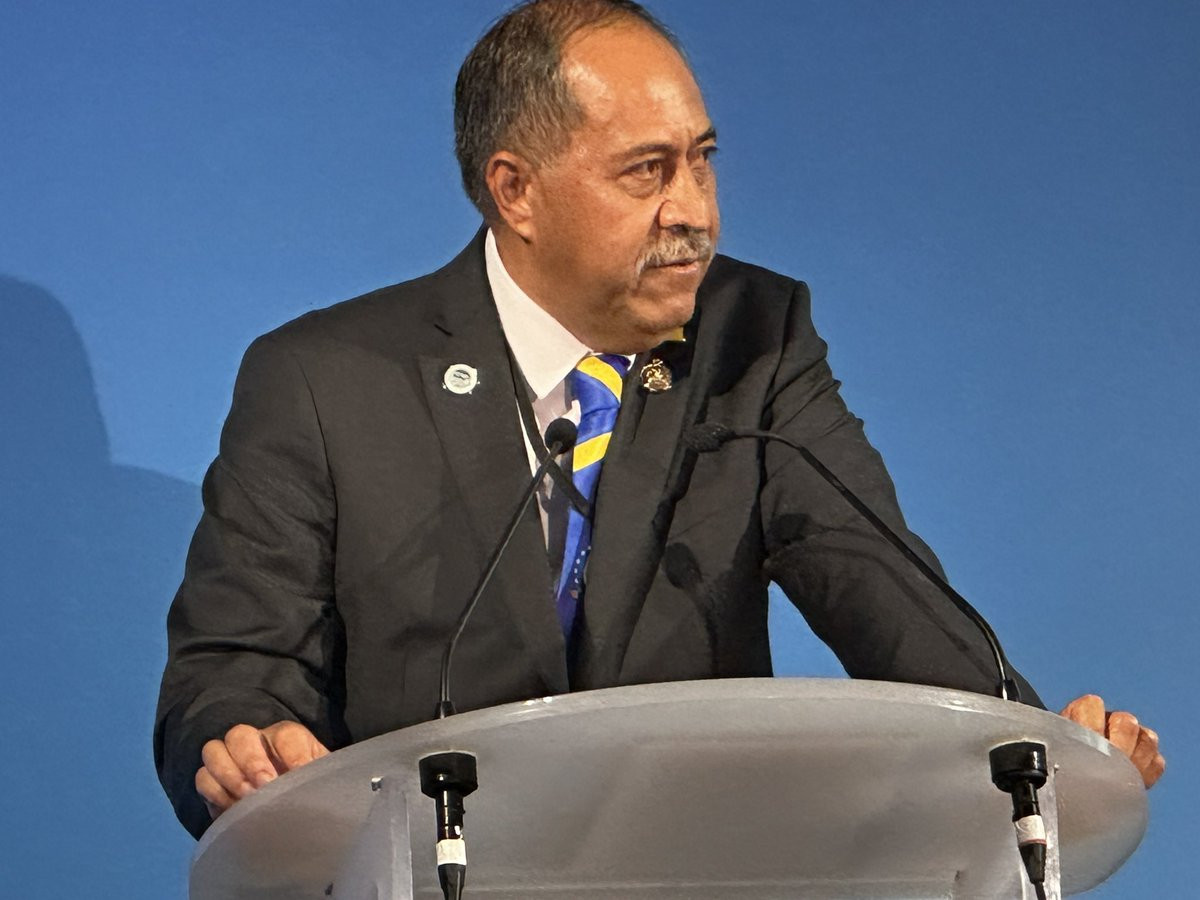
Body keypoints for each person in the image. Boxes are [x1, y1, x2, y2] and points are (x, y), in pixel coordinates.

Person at [155, 0, 1163, 839]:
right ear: (516, 191)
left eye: (702, 160)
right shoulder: (325, 381)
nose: (695, 211)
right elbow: (234, 669)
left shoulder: (752, 340)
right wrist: (244, 743)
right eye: (647, 170)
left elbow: (879, 586)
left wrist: (1035, 751)